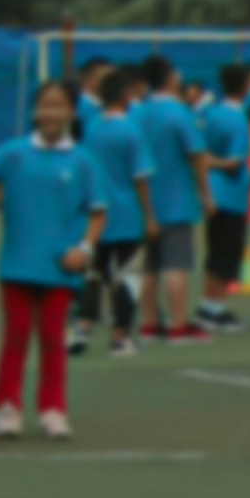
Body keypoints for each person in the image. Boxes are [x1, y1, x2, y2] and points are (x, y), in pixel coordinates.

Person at [0, 78, 95, 437]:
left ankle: (52, 410)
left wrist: (84, 249)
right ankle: (7, 408)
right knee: (15, 335)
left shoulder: (82, 161)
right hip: (16, 264)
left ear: (71, 112)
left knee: (51, 338)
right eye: (45, 104)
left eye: (58, 105)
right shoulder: (15, 153)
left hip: (60, 267)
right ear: (35, 110)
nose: (50, 112)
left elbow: (98, 211)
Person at [129, 51, 207, 341]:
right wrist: (206, 195)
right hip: (177, 200)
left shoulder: (138, 113)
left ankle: (149, 322)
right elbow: (196, 156)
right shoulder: (180, 113)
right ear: (171, 78)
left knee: (149, 266)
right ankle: (178, 324)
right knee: (176, 264)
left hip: (144, 200)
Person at [78, 69, 150, 353]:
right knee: (129, 276)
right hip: (128, 215)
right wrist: (151, 217)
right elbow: (140, 178)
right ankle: (120, 336)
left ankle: (83, 327)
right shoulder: (131, 131)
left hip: (97, 212)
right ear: (126, 96)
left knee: (94, 272)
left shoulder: (93, 127)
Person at [189, 61, 250, 331]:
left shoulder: (211, 114)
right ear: (245, 87)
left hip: (212, 190)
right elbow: (236, 161)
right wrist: (214, 162)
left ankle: (207, 304)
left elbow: (200, 150)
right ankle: (216, 307)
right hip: (231, 194)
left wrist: (206, 164)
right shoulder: (239, 119)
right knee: (227, 252)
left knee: (215, 249)